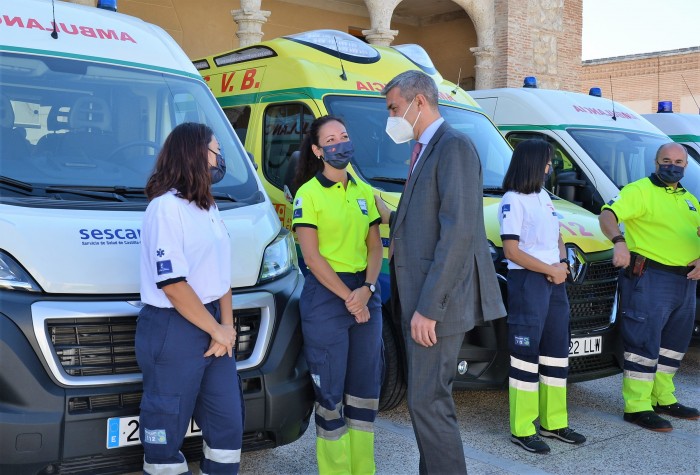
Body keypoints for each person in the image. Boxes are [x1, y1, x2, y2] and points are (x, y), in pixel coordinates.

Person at [375, 70, 506, 475]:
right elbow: (430, 217)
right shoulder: (425, 148)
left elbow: (460, 232)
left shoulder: (454, 147)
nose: (390, 118)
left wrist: (429, 308)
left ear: (419, 103)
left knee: (429, 403)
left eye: (394, 108)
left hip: (436, 305)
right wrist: (394, 217)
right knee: (425, 402)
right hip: (422, 299)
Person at [137, 122, 243, 474]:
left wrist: (225, 328)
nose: (219, 158)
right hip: (174, 327)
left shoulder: (208, 206)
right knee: (164, 433)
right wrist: (215, 328)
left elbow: (221, 274)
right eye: (215, 150)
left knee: (228, 425)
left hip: (213, 325)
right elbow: (173, 284)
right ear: (196, 153)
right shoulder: (165, 208)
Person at [291, 115, 384, 474]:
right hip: (328, 296)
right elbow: (311, 257)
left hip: (365, 291)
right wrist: (351, 297)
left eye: (344, 136)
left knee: (364, 391)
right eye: (330, 139)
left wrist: (368, 289)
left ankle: (363, 469)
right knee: (330, 394)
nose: (339, 144)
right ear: (317, 150)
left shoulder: (363, 191)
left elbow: (375, 248)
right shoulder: (308, 194)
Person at [598, 142, 700, 431]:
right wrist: (619, 242)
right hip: (650, 278)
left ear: (685, 166)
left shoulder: (689, 199)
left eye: (678, 162)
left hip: (685, 282)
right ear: (656, 163)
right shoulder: (639, 190)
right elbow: (607, 215)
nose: (672, 165)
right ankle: (637, 406)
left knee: (673, 345)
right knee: (643, 343)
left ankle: (663, 398)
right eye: (666, 160)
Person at [498, 139, 586, 453]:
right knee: (525, 357)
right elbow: (512, 251)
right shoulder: (512, 200)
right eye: (547, 162)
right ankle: (523, 428)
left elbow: (558, 236)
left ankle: (554, 423)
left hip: (553, 280)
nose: (550, 167)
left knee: (555, 351)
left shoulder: (542, 196)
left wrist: (561, 264)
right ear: (534, 163)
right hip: (528, 283)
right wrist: (549, 269)